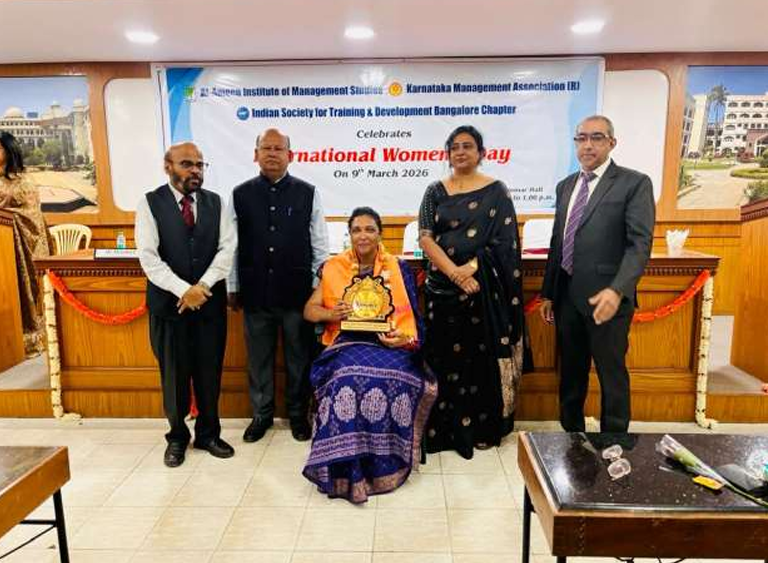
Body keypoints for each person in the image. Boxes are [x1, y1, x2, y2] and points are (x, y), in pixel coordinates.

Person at [302, 207, 437, 503]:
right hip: (347, 342)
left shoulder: (398, 268)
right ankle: (344, 464)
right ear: (349, 235)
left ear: (380, 234)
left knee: (400, 378)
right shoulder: (332, 267)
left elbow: (412, 319)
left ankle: (384, 462)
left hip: (390, 342)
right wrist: (329, 312)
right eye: (357, 230)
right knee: (347, 379)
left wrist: (402, 338)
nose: (363, 235)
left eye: (369, 229)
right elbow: (309, 311)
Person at [418, 125, 531, 460]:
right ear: (447, 154)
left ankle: (482, 427)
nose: (461, 152)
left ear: (482, 152)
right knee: (444, 357)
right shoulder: (435, 191)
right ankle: (445, 429)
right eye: (454, 147)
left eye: (468, 146)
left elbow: (505, 244)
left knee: (478, 360)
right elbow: (426, 238)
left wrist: (471, 270)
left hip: (484, 291)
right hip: (442, 290)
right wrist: (454, 274)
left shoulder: (497, 191)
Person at [540, 115, 655, 433]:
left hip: (609, 299)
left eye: (597, 137)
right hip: (567, 297)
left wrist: (618, 289)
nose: (588, 145)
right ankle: (571, 435)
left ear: (611, 143)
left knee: (611, 372)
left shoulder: (634, 183)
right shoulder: (565, 186)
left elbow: (639, 244)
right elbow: (558, 241)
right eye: (581, 138)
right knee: (571, 373)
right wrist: (549, 292)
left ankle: (614, 441)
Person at [135, 142, 236, 467]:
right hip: (169, 309)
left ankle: (208, 434)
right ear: (168, 166)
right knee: (174, 376)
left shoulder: (216, 203)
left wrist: (202, 287)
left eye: (200, 165)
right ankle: (177, 437)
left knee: (209, 373)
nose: (195, 170)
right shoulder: (150, 203)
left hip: (208, 305)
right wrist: (183, 290)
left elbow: (226, 250)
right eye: (187, 164)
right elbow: (149, 258)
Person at [229, 128, 329, 443]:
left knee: (299, 359)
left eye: (279, 148)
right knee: (258, 359)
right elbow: (230, 245)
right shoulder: (239, 194)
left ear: (291, 155)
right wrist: (232, 285)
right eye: (266, 148)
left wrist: (317, 288)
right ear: (255, 154)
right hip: (255, 292)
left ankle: (299, 416)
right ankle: (261, 416)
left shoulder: (308, 193)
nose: (272, 153)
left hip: (297, 294)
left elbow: (320, 244)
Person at [0, 130, 51, 357]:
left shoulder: (24, 182)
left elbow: (32, 215)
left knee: (25, 286)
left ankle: (29, 336)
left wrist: (7, 212)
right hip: (3, 247)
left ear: (9, 151)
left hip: (23, 245)